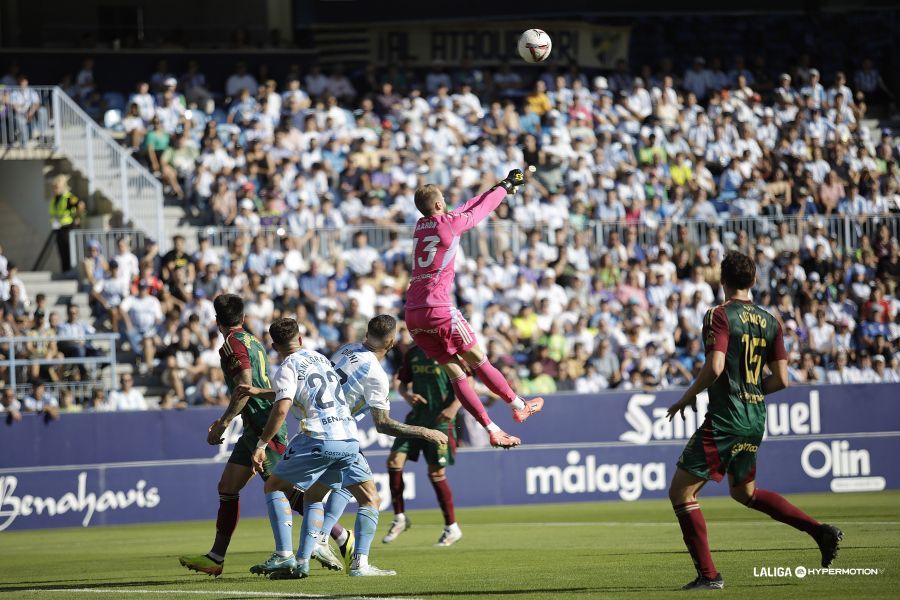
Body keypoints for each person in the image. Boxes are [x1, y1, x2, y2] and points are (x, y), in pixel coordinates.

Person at [665, 251, 842, 590]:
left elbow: (715, 367)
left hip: (726, 418)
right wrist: (750, 390)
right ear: (755, 281)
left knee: (681, 492)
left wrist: (687, 396)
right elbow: (782, 380)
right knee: (745, 493)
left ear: (722, 280)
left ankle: (709, 576)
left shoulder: (718, 315)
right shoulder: (770, 320)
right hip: (755, 417)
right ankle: (820, 531)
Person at [241, 317, 398, 578]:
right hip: (348, 438)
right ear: (301, 339)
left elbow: (283, 406)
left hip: (318, 435)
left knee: (274, 486)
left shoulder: (292, 365)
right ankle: (320, 559)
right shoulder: (322, 359)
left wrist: (261, 444)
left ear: (274, 345)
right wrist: (263, 392)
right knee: (331, 496)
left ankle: (284, 556)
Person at [405, 169, 543, 449]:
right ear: (439, 205)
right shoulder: (449, 225)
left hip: (413, 316)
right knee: (480, 362)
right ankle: (518, 405)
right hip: (439, 309)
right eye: (444, 200)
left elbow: (463, 208)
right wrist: (502, 191)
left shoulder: (421, 227)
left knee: (457, 374)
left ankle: (491, 428)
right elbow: (480, 211)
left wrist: (499, 186)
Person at [314, 317, 450, 563]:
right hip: (338, 432)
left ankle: (317, 542)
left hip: (314, 425)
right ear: (391, 341)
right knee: (370, 498)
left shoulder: (346, 348)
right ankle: (358, 562)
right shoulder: (375, 372)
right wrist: (426, 432)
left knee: (338, 485)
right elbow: (383, 424)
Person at [178, 294, 290, 577]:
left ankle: (339, 536)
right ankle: (216, 557)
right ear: (242, 318)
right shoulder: (253, 340)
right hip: (255, 426)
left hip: (266, 425)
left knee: (283, 489)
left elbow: (244, 386)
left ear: (217, 322)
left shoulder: (232, 345)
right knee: (227, 487)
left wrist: (223, 423)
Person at [383, 343, 462, 546]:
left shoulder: (448, 352)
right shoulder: (413, 352)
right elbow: (401, 384)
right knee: (394, 461)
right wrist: (408, 395)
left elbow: (466, 384)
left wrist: (453, 408)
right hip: (416, 419)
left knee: (436, 473)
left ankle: (451, 527)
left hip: (441, 422)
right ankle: (399, 517)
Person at [48, 175, 85, 272]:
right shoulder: (55, 199)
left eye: (57, 187)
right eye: (54, 187)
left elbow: (81, 205)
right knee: (61, 252)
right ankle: (64, 271)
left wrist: (76, 218)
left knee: (68, 251)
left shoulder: (68, 197)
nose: (54, 189)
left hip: (67, 228)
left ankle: (69, 271)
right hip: (58, 228)